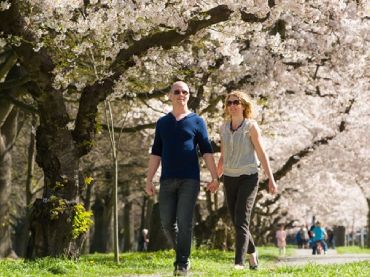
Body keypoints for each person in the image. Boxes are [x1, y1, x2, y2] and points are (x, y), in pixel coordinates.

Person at [146, 81, 219, 276]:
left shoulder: (197, 121)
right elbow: (156, 153)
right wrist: (149, 179)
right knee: (167, 222)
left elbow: (207, 151)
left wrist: (214, 177)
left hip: (190, 180)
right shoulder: (162, 123)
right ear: (170, 95)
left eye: (184, 92)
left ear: (189, 95)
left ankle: (182, 263)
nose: (181, 95)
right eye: (177, 92)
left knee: (185, 221)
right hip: (167, 179)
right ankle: (183, 254)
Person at [217, 91, 278, 270]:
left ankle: (239, 263)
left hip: (249, 177)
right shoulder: (223, 128)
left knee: (242, 219)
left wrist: (271, 179)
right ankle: (252, 253)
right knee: (237, 221)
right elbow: (223, 156)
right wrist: (215, 177)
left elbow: (261, 153)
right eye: (229, 103)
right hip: (229, 177)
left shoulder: (251, 126)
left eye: (236, 102)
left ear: (244, 105)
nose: (233, 105)